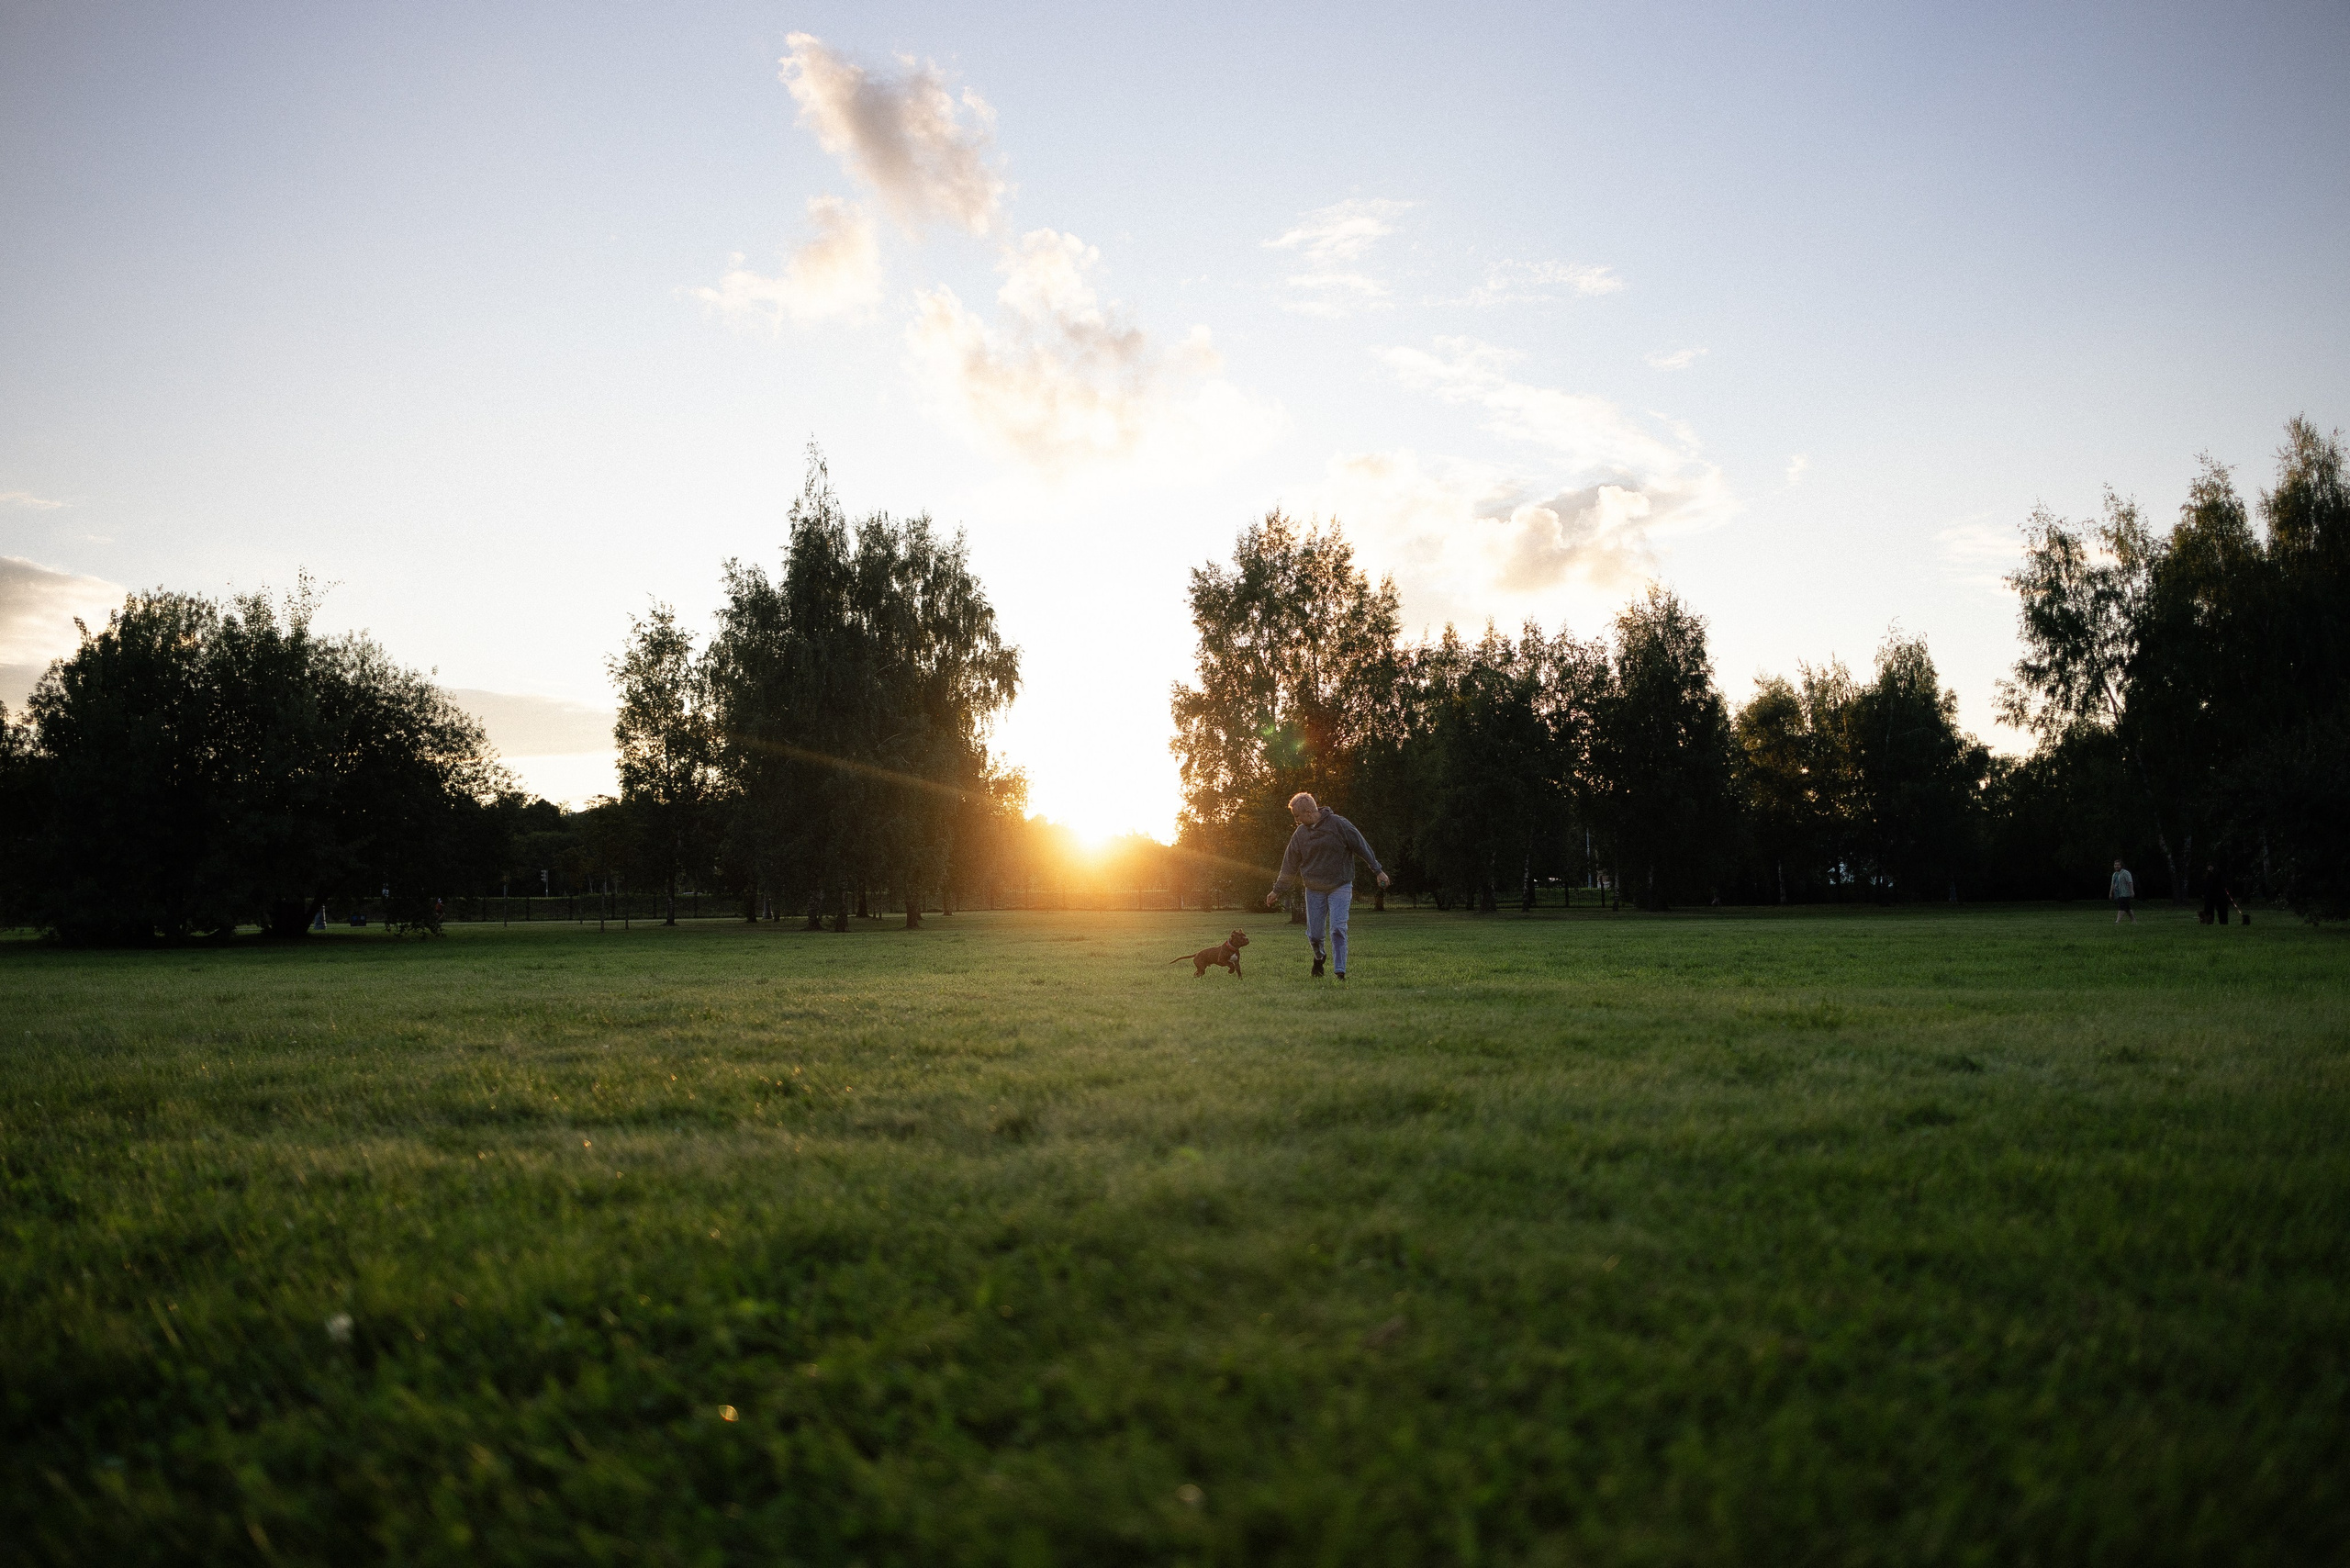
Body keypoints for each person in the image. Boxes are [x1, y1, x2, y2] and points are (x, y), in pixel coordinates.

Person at [1265, 791, 1389, 980]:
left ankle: (1340, 971)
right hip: (1314, 889)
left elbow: (1361, 846)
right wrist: (1277, 890)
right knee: (1314, 935)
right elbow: (1289, 865)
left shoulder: (1339, 824)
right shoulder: (1300, 834)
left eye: (1297, 816)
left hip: (1340, 885)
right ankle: (1319, 956)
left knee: (1338, 928)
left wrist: (1378, 870)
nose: (1296, 820)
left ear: (1308, 812)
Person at [2109, 858, 2135, 924]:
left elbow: (2130, 882)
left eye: (2118, 865)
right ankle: (2134, 921)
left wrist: (2131, 891)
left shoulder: (2126, 873)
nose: (2116, 866)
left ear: (2121, 865)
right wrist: (2111, 893)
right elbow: (2113, 884)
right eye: (2115, 865)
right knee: (2127, 908)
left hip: (2125, 893)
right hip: (2118, 894)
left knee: (2122, 907)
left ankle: (2117, 921)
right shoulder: (2115, 874)